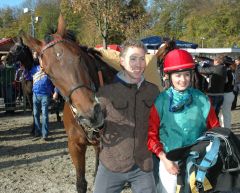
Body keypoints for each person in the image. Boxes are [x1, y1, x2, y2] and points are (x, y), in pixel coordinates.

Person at [147, 49, 220, 193]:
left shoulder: (202, 99)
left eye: (186, 74)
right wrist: (165, 159)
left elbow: (215, 129)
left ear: (192, 75)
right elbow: (151, 135)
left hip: (198, 160)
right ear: (169, 77)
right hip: (169, 161)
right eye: (178, 75)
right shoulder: (161, 101)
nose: (183, 79)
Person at [93, 39, 159, 193]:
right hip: (111, 164)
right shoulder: (105, 92)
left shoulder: (153, 91)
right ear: (122, 61)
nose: (138, 63)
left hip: (143, 165)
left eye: (142, 58)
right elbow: (91, 124)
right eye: (133, 58)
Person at [31, 52, 54, 140]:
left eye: (42, 60)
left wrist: (55, 91)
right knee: (36, 114)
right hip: (35, 95)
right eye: (40, 60)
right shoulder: (34, 69)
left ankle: (45, 134)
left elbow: (54, 82)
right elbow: (28, 76)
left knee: (44, 114)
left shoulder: (48, 70)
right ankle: (37, 132)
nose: (41, 61)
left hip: (45, 95)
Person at [197, 55, 227, 119]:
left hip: (214, 94)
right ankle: (216, 128)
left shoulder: (215, 68)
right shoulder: (224, 68)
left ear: (216, 61)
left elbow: (201, 70)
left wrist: (197, 65)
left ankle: (213, 128)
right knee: (216, 115)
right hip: (220, 94)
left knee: (211, 115)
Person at [220, 56, 235, 128]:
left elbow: (224, 83)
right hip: (229, 93)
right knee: (226, 113)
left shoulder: (226, 72)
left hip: (226, 94)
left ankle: (226, 130)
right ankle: (225, 128)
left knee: (225, 114)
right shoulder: (230, 71)